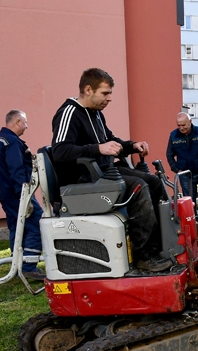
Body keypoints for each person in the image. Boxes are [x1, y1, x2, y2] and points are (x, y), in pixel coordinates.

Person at [51, 68, 171, 272]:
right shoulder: (68, 113)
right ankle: (143, 256)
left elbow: (110, 140)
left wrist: (132, 145)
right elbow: (60, 151)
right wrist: (98, 148)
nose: (109, 99)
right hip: (81, 180)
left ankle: (160, 247)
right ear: (88, 90)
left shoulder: (96, 114)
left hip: (102, 173)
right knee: (138, 187)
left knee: (155, 182)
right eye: (105, 93)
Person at [0, 110, 45, 281]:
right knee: (37, 224)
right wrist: (25, 196)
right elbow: (17, 170)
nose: (26, 127)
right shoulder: (12, 142)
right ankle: (28, 267)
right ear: (18, 121)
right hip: (19, 194)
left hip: (6, 194)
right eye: (25, 123)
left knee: (16, 227)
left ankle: (17, 263)